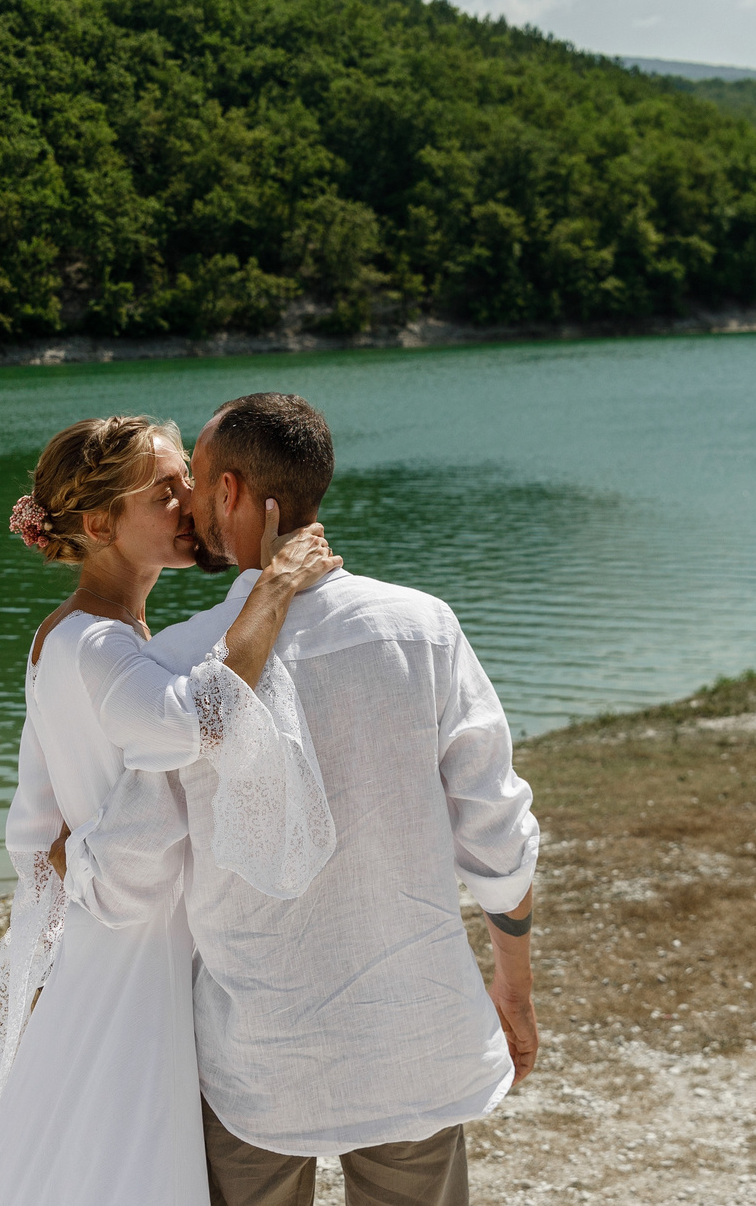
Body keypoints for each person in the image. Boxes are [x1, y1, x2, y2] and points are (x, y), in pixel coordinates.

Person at [68, 393, 541, 1206]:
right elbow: (497, 835)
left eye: (198, 485)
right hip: (412, 1038)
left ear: (231, 494)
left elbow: (130, 877)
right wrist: (515, 988)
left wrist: (60, 856)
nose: (186, 510)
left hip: (263, 1059)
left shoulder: (184, 667)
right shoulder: (424, 627)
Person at [0, 414, 341, 1206]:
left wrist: (75, 865)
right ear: (100, 523)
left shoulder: (79, 636)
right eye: (166, 490)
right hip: (135, 953)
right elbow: (198, 722)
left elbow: (36, 824)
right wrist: (270, 583)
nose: (191, 502)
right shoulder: (99, 645)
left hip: (115, 940)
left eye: (191, 484)